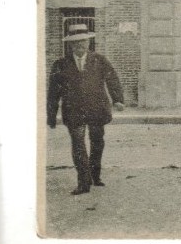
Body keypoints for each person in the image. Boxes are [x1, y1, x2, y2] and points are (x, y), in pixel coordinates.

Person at [46, 24, 125, 195]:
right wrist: (51, 115)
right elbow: (53, 91)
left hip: (97, 109)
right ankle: (83, 182)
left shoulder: (100, 60)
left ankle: (95, 175)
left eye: (82, 42)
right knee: (78, 144)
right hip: (73, 111)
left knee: (97, 142)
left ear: (88, 42)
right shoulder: (60, 64)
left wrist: (118, 99)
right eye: (75, 43)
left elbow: (112, 80)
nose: (79, 45)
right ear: (70, 45)